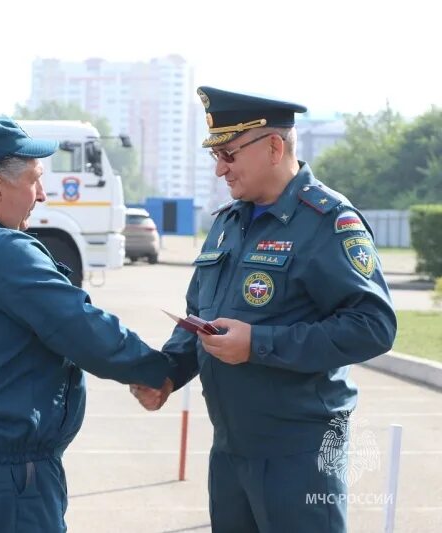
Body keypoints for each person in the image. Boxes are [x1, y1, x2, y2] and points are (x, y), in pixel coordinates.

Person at [132, 86, 397, 532]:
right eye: (216, 155)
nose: (219, 169)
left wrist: (258, 344)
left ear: (273, 147)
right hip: (231, 449)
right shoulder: (227, 223)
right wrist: (169, 374)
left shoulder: (328, 221)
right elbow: (201, 311)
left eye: (229, 154)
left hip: (300, 452)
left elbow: (373, 326)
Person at [0, 116, 176, 533]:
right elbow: (78, 326)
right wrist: (157, 369)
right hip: (10, 474)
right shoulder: (2, 251)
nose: (41, 194)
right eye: (35, 180)